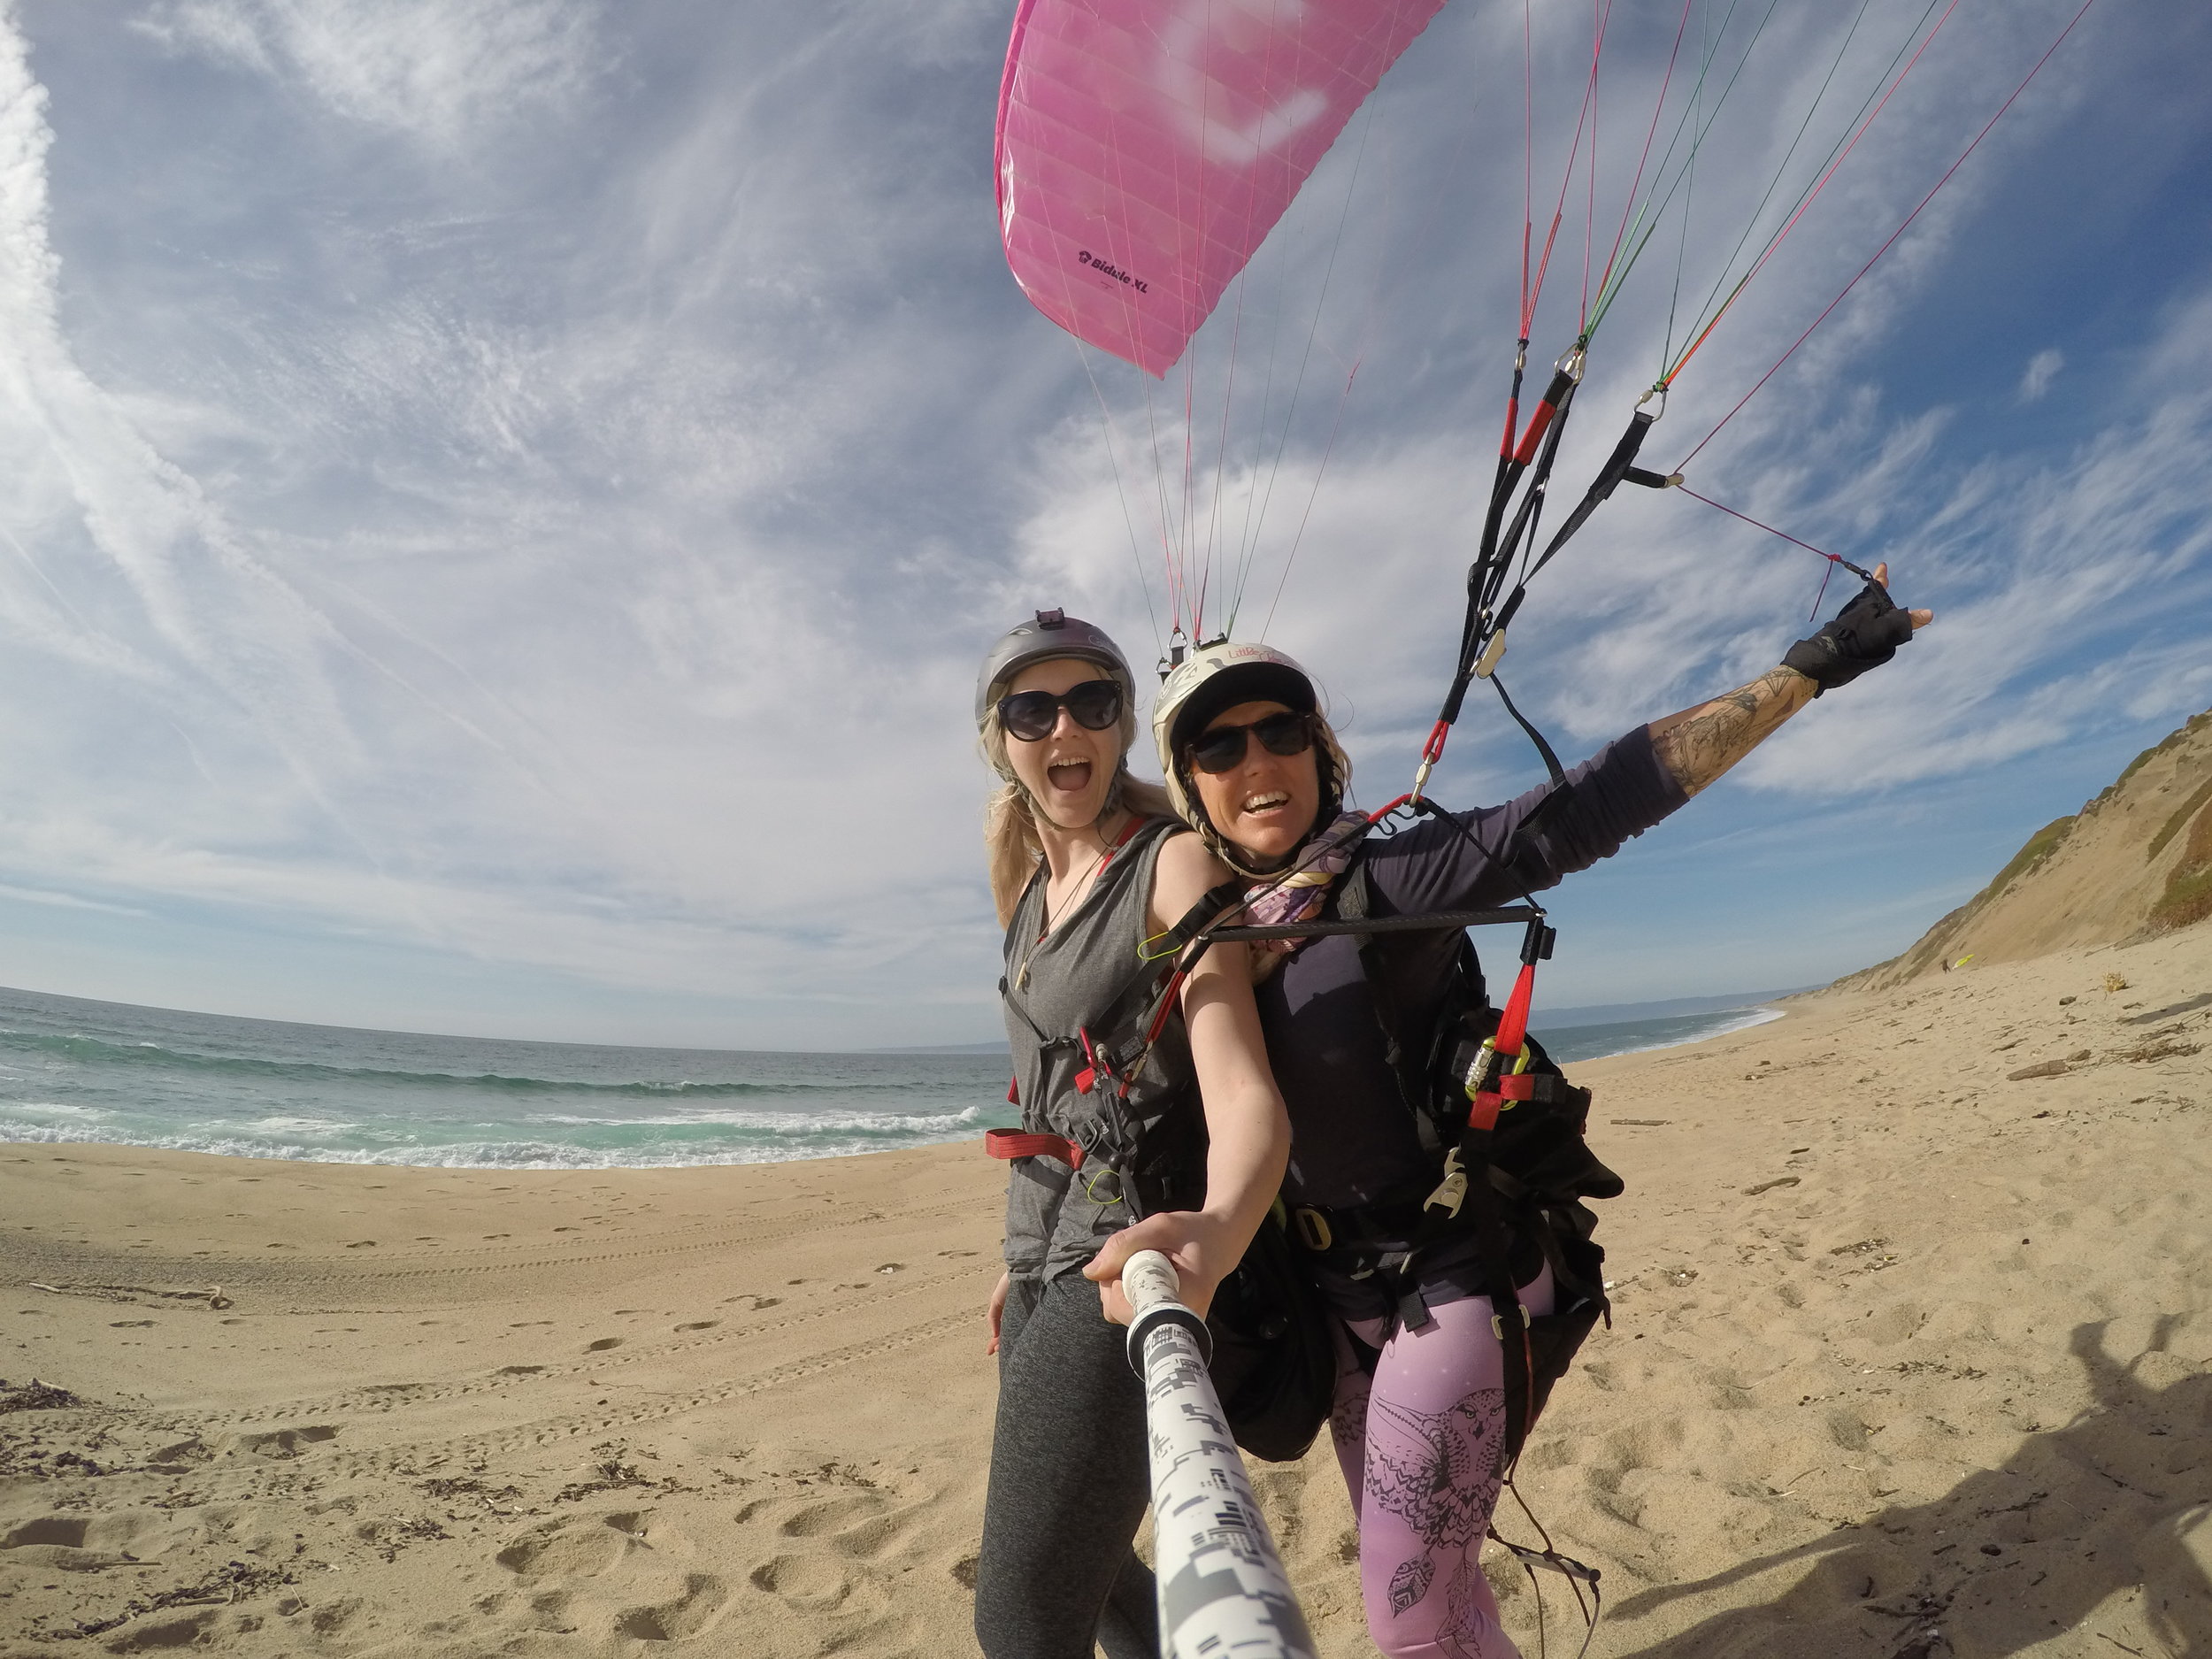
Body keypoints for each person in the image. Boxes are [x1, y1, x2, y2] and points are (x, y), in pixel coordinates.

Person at [1124, 572, 1932, 1658]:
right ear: (1187, 785)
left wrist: (1804, 673)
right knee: (1439, 1590)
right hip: (1335, 1302)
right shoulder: (1201, 932)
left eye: (1280, 731)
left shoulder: (1394, 880)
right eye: (1219, 748)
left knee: (1406, 1613)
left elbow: (1588, 806)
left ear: (1321, 750)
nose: (1257, 761)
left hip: (1456, 1271)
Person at [969, 609, 1291, 1659]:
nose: (1065, 725)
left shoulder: (1174, 867)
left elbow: (1239, 1086)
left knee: (1017, 1620)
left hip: (1117, 1259)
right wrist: (1012, 1262)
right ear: (1000, 737)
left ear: (1120, 725)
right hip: (1036, 1261)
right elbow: (1043, 1096)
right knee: (1102, 1577)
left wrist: (1219, 1227)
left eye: (1092, 701)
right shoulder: (1026, 890)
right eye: (1032, 707)